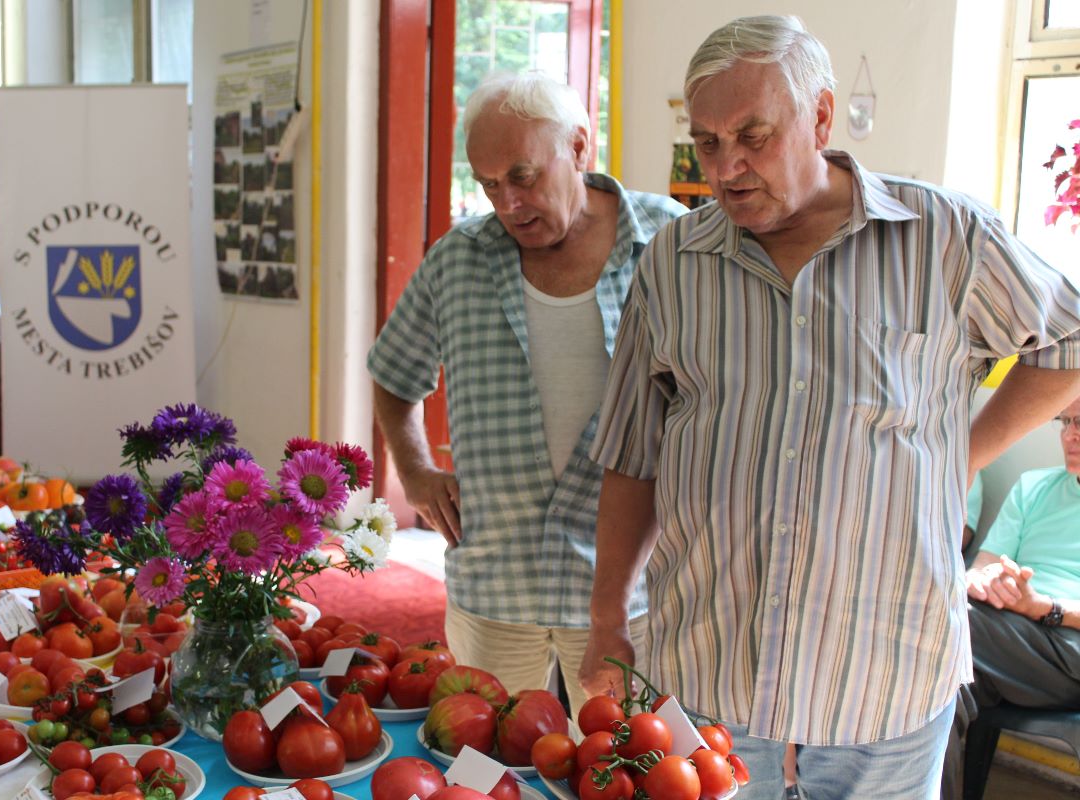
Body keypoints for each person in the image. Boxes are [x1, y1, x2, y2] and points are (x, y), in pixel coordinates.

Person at [578, 14, 1080, 800]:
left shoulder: (944, 237)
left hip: (884, 672)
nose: (727, 167)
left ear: (820, 117)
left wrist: (963, 453)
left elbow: (1067, 343)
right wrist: (608, 618)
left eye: (753, 135)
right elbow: (633, 451)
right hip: (709, 666)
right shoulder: (674, 261)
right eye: (707, 142)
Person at [368, 72, 685, 706]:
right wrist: (416, 472)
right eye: (489, 184)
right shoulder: (457, 259)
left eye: (523, 176)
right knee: (484, 755)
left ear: (579, 147)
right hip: (496, 581)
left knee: (623, 756)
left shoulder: (670, 242)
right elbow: (394, 374)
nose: (507, 203)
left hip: (632, 589)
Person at [940, 399, 1080, 798]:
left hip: (1069, 643)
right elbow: (982, 566)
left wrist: (1043, 608)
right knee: (941, 689)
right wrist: (986, 582)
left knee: (942, 624)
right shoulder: (1034, 486)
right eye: (1065, 421)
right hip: (1006, 639)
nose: (1070, 435)